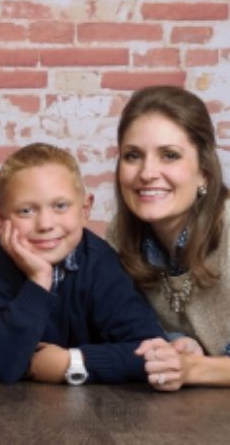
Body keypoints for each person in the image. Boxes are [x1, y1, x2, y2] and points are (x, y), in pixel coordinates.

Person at [0, 142, 165, 385]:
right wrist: (38, 281)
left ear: (85, 210)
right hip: (12, 410)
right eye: (25, 211)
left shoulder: (100, 264)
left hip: (98, 410)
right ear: (1, 220)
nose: (45, 224)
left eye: (60, 206)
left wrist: (73, 362)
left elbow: (152, 351)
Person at [108, 85, 230, 391]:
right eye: (133, 155)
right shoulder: (121, 238)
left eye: (169, 155)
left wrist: (196, 369)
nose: (147, 172)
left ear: (204, 172)